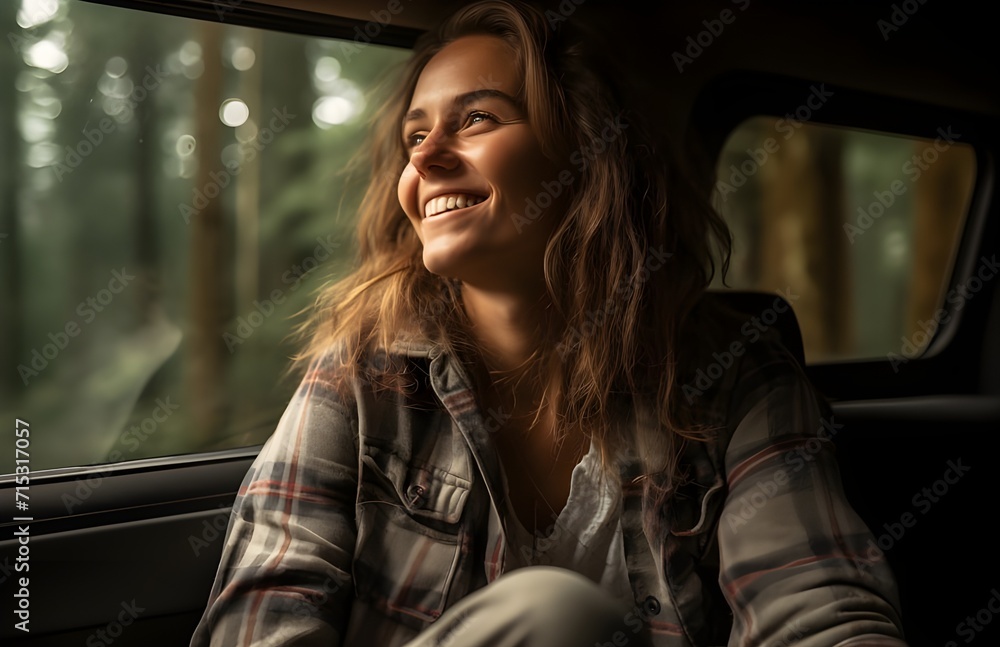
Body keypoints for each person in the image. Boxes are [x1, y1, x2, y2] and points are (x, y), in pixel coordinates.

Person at [190, 1, 908, 645]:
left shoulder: (736, 377)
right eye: (415, 135)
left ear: (590, 152)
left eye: (476, 118)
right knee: (553, 611)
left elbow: (815, 605)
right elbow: (261, 616)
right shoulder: (361, 372)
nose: (428, 157)